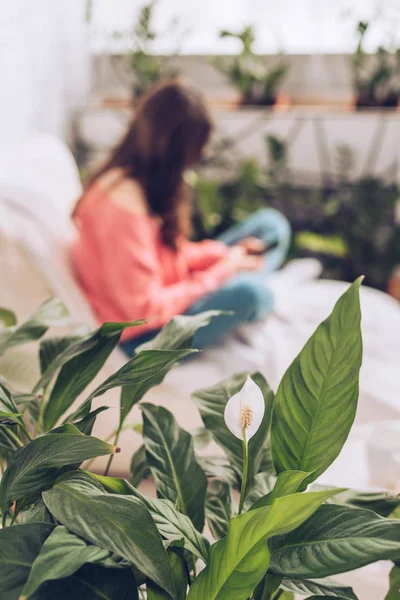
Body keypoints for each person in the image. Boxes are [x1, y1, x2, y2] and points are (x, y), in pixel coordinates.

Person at [71, 80, 291, 356]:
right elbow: (146, 311)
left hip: (170, 285)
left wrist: (224, 254)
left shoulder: (133, 178)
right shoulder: (123, 213)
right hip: (143, 337)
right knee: (253, 295)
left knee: (271, 225)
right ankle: (256, 279)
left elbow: (169, 256)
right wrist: (224, 270)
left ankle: (253, 271)